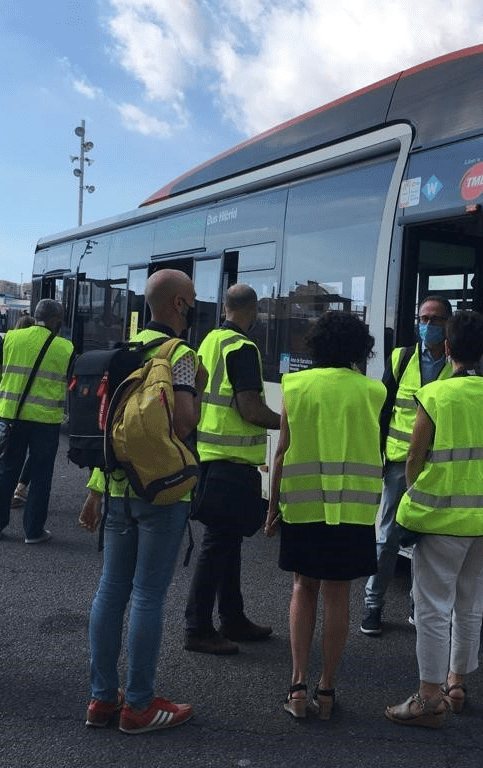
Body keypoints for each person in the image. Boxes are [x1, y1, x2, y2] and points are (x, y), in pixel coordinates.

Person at [78, 268, 206, 735]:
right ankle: (139, 705)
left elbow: (110, 426)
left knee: (111, 589)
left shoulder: (123, 352)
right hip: (161, 489)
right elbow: (186, 421)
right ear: (178, 304)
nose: (195, 305)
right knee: (148, 594)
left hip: (116, 486)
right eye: (192, 298)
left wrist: (95, 489)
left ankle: (101, 699)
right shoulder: (181, 355)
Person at [385, 311, 483, 728]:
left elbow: (413, 456)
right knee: (471, 606)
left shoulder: (437, 395)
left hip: (442, 520)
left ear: (446, 349)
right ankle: (456, 685)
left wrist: (414, 493)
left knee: (433, 609)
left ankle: (428, 700)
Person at [265, 312, 385, 720]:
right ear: (358, 349)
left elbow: (282, 451)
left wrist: (272, 507)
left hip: (303, 504)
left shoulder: (295, 386)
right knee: (338, 593)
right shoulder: (373, 392)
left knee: (303, 588)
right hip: (353, 508)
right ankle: (327, 689)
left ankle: (297, 688)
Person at [184, 284, 280, 655]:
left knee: (227, 543)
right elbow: (250, 408)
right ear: (253, 310)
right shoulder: (242, 347)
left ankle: (233, 619)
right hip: (231, 460)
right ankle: (198, 627)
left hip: (209, 455)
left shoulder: (210, 341)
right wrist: (288, 423)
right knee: (218, 544)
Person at [361, 296, 452, 636]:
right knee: (386, 539)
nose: (427, 325)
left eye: (436, 319)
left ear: (448, 324)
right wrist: (378, 457)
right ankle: (373, 607)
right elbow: (383, 411)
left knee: (427, 541)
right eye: (423, 318)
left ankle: (418, 606)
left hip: (436, 467)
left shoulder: (457, 364)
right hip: (398, 464)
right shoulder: (401, 359)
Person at [0, 300, 73, 543]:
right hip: (46, 422)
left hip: (10, 415)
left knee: (6, 471)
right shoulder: (66, 347)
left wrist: (0, 399)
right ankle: (33, 531)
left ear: (35, 316)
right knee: (41, 475)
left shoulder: (11, 338)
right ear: (57, 321)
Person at [0, 313, 36, 509]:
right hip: (34, 410)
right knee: (34, 454)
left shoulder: (8, 342)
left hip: (8, 409)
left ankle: (3, 497)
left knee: (6, 456)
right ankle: (21, 487)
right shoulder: (42, 346)